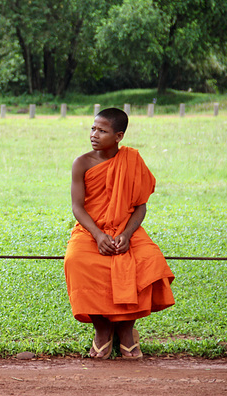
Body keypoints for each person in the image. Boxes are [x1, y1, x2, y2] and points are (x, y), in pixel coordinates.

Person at [64, 107, 175, 360]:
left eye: (102, 131)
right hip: (90, 229)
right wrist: (98, 236)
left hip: (127, 228)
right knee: (77, 260)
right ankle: (102, 331)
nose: (94, 134)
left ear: (119, 136)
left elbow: (140, 206)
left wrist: (126, 234)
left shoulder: (132, 160)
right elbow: (77, 207)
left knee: (148, 260)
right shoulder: (81, 163)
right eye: (93, 128)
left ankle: (127, 331)